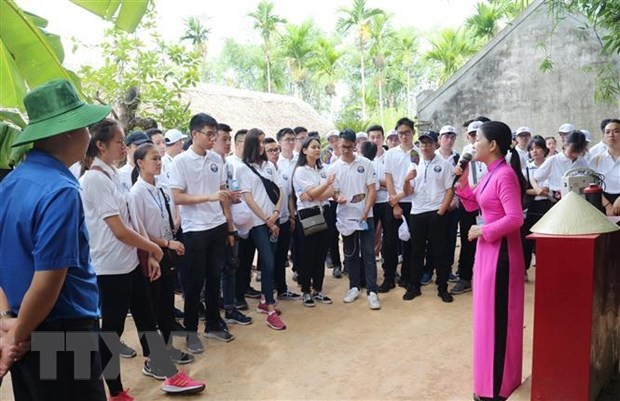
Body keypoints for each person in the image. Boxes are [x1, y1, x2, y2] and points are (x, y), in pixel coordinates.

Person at [0, 79, 109, 401]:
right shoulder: (61, 191)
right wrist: (16, 338)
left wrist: (9, 324)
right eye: (85, 127)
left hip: (23, 326)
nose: (89, 135)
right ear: (69, 133)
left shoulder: (11, 183)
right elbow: (49, 280)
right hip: (59, 333)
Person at [81, 118, 205, 400]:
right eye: (117, 141)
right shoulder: (93, 179)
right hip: (110, 266)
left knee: (147, 318)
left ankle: (167, 372)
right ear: (100, 145)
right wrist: (155, 248)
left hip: (129, 260)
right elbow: (118, 228)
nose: (123, 146)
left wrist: (147, 252)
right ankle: (114, 391)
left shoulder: (112, 175)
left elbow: (130, 220)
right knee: (111, 329)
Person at [455, 121, 526, 401]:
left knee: (498, 322)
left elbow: (515, 218)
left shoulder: (505, 175)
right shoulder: (488, 173)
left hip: (502, 256)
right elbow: (475, 203)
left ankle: (498, 389)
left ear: (493, 145)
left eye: (478, 140)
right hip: (488, 253)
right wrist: (460, 181)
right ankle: (486, 385)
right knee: (486, 321)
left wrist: (483, 230)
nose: (473, 145)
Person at [169, 113, 237, 352]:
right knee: (193, 282)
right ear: (194, 134)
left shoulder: (216, 159)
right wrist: (208, 197)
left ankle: (213, 323)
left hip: (217, 226)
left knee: (214, 277)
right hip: (195, 230)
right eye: (209, 134)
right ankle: (190, 331)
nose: (212, 139)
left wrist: (229, 223)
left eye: (214, 135)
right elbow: (177, 197)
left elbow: (222, 192)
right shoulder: (180, 162)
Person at [129, 143, 194, 364]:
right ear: (140, 163)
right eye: (154, 158)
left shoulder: (160, 188)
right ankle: (154, 356)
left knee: (167, 304)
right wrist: (166, 242)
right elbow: (139, 231)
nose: (159, 162)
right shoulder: (136, 193)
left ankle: (168, 348)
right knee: (153, 307)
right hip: (150, 255)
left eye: (159, 158)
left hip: (166, 252)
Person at [236, 129, 287, 330]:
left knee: (270, 263)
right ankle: (271, 311)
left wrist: (275, 213)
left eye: (262, 142)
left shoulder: (268, 165)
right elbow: (248, 198)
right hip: (257, 223)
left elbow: (280, 190)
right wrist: (267, 220)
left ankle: (266, 301)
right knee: (267, 260)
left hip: (273, 219)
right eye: (258, 143)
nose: (262, 146)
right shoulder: (242, 169)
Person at [329, 130, 380, 310]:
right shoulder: (333, 167)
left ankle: (372, 291)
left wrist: (366, 211)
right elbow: (333, 191)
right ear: (338, 144)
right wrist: (338, 197)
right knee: (350, 254)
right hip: (346, 217)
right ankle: (354, 287)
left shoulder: (365, 164)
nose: (346, 150)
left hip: (366, 216)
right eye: (343, 147)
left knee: (368, 253)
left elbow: (372, 190)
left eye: (350, 147)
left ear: (355, 145)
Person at [404, 130, 455, 303]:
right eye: (422, 143)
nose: (425, 146)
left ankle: (442, 288)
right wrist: (405, 180)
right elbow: (408, 191)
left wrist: (442, 209)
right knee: (416, 251)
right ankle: (414, 286)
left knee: (439, 251)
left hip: (436, 212)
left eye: (429, 143)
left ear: (436, 144)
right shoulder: (414, 165)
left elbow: (450, 189)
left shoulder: (445, 164)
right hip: (417, 212)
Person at [292, 136, 335, 307]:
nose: (317, 150)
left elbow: (329, 192)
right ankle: (305, 291)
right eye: (313, 147)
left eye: (318, 147)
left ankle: (318, 289)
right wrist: (324, 188)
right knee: (307, 253)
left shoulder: (322, 169)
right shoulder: (301, 171)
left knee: (321, 253)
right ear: (304, 150)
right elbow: (321, 191)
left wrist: (316, 193)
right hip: (308, 214)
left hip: (325, 212)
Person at [379, 117, 419, 293]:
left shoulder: (418, 153)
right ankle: (389, 277)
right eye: (400, 133)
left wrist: (400, 197)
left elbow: (417, 179)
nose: (403, 136)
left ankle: (407, 277)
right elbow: (388, 177)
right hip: (393, 201)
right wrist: (394, 200)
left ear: (413, 133)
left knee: (411, 241)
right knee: (389, 242)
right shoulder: (391, 153)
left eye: (407, 133)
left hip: (413, 203)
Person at [521, 135, 552, 275]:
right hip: (530, 207)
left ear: (544, 150)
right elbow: (522, 189)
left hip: (547, 207)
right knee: (526, 239)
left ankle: (545, 269)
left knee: (545, 239)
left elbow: (546, 191)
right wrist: (535, 190)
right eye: (531, 149)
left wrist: (531, 190)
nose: (534, 151)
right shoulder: (526, 168)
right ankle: (523, 269)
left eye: (538, 148)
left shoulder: (551, 165)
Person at [532, 130, 589, 202]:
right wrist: (536, 188)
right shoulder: (553, 160)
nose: (574, 155)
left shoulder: (582, 161)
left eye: (578, 152)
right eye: (572, 151)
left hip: (578, 199)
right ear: (565, 145)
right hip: (558, 200)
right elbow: (534, 178)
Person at [590, 119, 620, 215]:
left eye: (616, 131)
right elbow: (592, 184)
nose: (611, 135)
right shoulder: (596, 160)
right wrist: (607, 206)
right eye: (607, 132)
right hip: (605, 201)